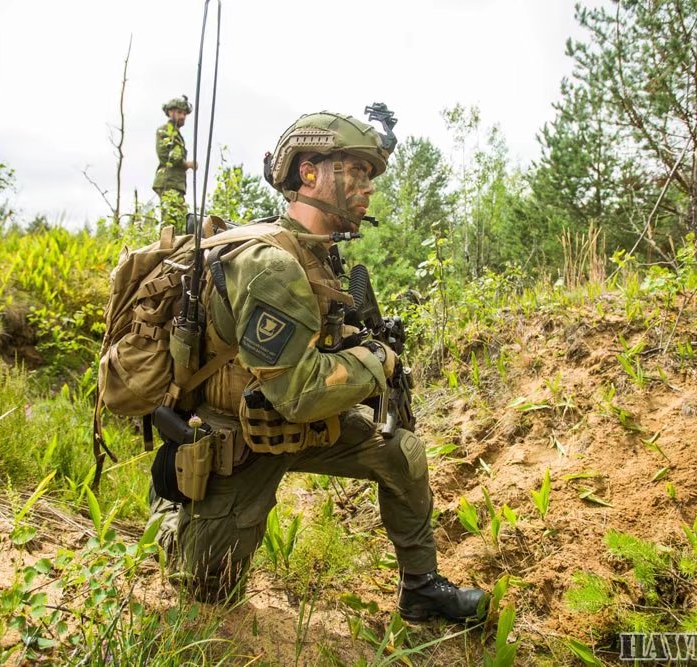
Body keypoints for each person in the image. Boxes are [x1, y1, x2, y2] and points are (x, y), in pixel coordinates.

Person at [149, 110, 486, 623]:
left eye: (370, 176)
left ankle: (421, 587)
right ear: (309, 173)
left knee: (401, 453)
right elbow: (299, 391)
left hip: (293, 424)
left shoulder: (317, 255)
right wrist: (375, 360)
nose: (367, 188)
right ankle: (169, 513)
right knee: (205, 591)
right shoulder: (272, 264)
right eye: (356, 171)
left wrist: (357, 343)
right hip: (235, 443)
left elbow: (318, 347)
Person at [153, 95, 198, 230]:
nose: (182, 116)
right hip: (168, 182)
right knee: (169, 223)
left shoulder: (177, 135)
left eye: (184, 113)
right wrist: (187, 164)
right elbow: (165, 156)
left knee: (178, 222)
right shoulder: (165, 131)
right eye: (179, 112)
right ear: (170, 112)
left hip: (177, 184)